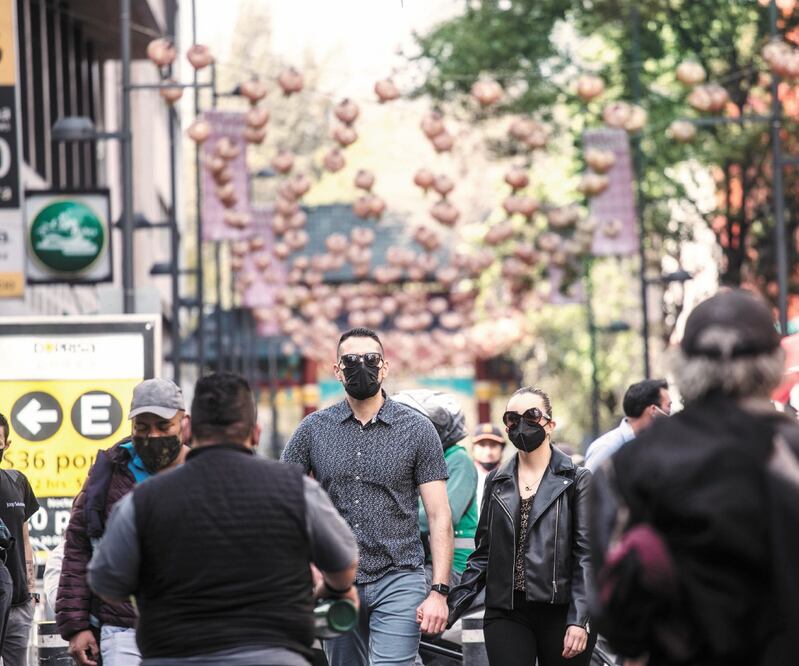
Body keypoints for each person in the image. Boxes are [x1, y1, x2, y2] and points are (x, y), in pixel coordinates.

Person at [88, 372, 358, 666]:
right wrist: (332, 590)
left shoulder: (142, 501)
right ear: (255, 433)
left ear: (188, 428)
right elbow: (344, 565)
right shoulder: (297, 490)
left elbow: (107, 583)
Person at [591, 289, 799, 666]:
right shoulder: (790, 451)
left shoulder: (631, 462)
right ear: (773, 363)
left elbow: (616, 616)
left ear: (684, 364)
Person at [282, 328, 454, 666]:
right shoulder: (312, 429)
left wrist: (439, 591)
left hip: (399, 576)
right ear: (337, 370)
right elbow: (283, 500)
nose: (361, 366)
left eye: (371, 360)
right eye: (351, 360)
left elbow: (439, 516)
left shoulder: (418, 429)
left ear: (385, 367)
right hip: (336, 581)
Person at [448, 387, 595, 666]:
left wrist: (579, 620)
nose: (521, 424)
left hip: (562, 611)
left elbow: (587, 555)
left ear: (550, 424)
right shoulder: (497, 481)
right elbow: (483, 553)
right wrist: (451, 605)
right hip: (507, 609)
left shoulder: (577, 480)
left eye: (532, 415)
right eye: (512, 418)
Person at [57, 378, 190, 666]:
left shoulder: (205, 468)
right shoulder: (110, 472)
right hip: (123, 629)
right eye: (142, 427)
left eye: (163, 426)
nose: (152, 435)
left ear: (184, 422)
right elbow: (79, 547)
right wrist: (77, 627)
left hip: (193, 628)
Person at [392, 389, 478, 583]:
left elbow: (447, 513)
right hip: (428, 561)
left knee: (404, 593)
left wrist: (390, 523)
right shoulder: (424, 464)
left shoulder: (458, 460)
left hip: (456, 566)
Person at [0, 412, 39, 666]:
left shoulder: (18, 481)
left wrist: (31, 590)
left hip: (18, 603)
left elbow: (25, 537)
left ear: (6, 444)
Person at [584, 379, 671, 472]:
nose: (671, 412)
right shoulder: (606, 448)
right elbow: (589, 485)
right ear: (653, 410)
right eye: (669, 406)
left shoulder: (653, 447)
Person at [470, 423, 506, 509]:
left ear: (502, 449)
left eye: (493, 445)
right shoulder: (465, 475)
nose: (488, 452)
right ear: (473, 448)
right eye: (482, 445)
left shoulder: (511, 475)